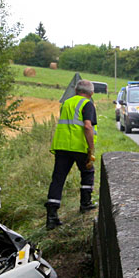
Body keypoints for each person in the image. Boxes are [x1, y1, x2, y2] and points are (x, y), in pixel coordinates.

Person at [45, 79, 98, 230]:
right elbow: (87, 126)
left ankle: (52, 216)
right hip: (79, 146)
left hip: (62, 146)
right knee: (88, 172)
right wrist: (91, 148)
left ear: (76, 90)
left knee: (58, 178)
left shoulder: (66, 103)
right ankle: (85, 204)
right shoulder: (87, 104)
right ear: (91, 93)